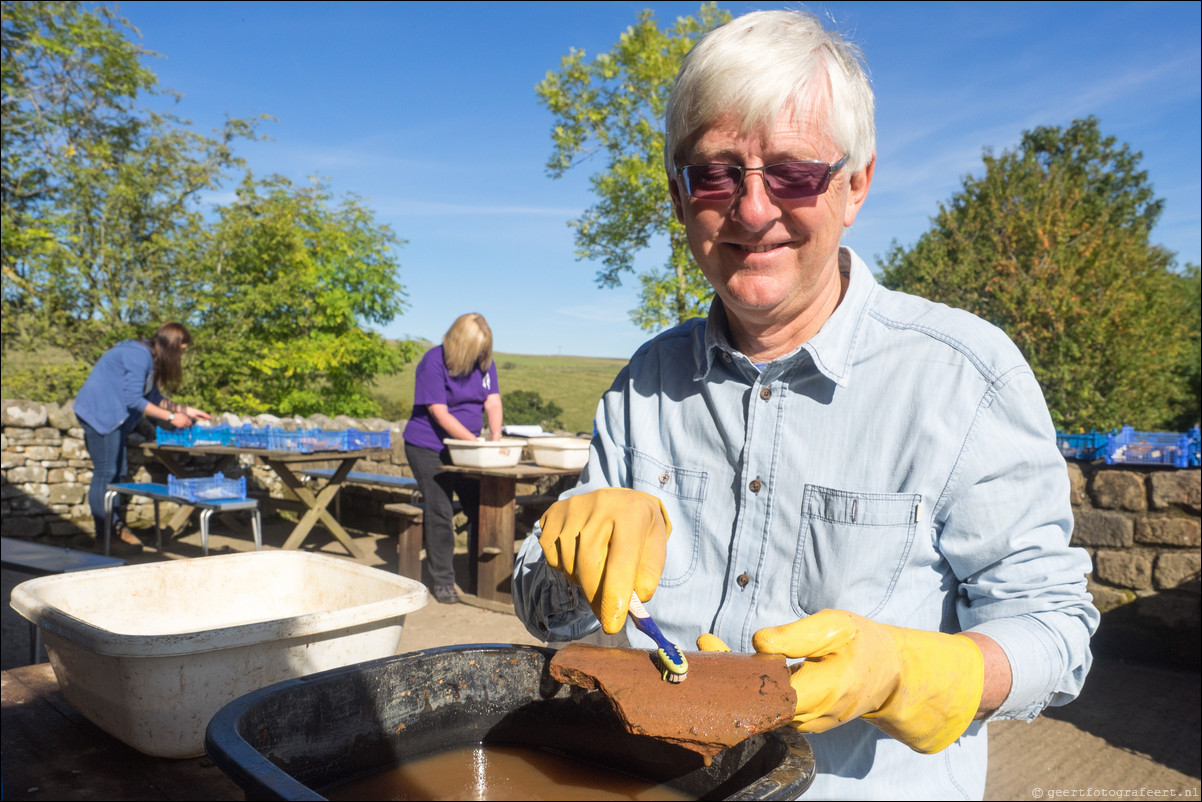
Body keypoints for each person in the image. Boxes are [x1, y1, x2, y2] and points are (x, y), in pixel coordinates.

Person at [514, 10, 1098, 799]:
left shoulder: (967, 377)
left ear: (855, 185)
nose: (753, 210)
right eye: (716, 172)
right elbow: (549, 618)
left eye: (793, 172)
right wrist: (566, 560)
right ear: (680, 196)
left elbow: (1058, 633)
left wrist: (922, 669)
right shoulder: (645, 380)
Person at [74, 322, 211, 554]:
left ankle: (115, 529)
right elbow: (134, 400)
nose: (182, 355)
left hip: (113, 416)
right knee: (106, 473)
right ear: (172, 345)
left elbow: (153, 397)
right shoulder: (139, 356)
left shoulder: (150, 358)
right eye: (182, 349)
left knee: (118, 472)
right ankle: (104, 537)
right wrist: (171, 417)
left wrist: (185, 410)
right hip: (101, 414)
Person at [403, 313, 503, 604]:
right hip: (428, 445)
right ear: (461, 343)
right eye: (477, 350)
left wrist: (494, 437)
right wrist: (475, 443)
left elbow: (493, 401)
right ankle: (444, 580)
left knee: (480, 508)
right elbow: (439, 412)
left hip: (467, 449)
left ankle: (478, 577)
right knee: (440, 511)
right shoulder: (433, 361)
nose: (481, 356)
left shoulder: (485, 364)